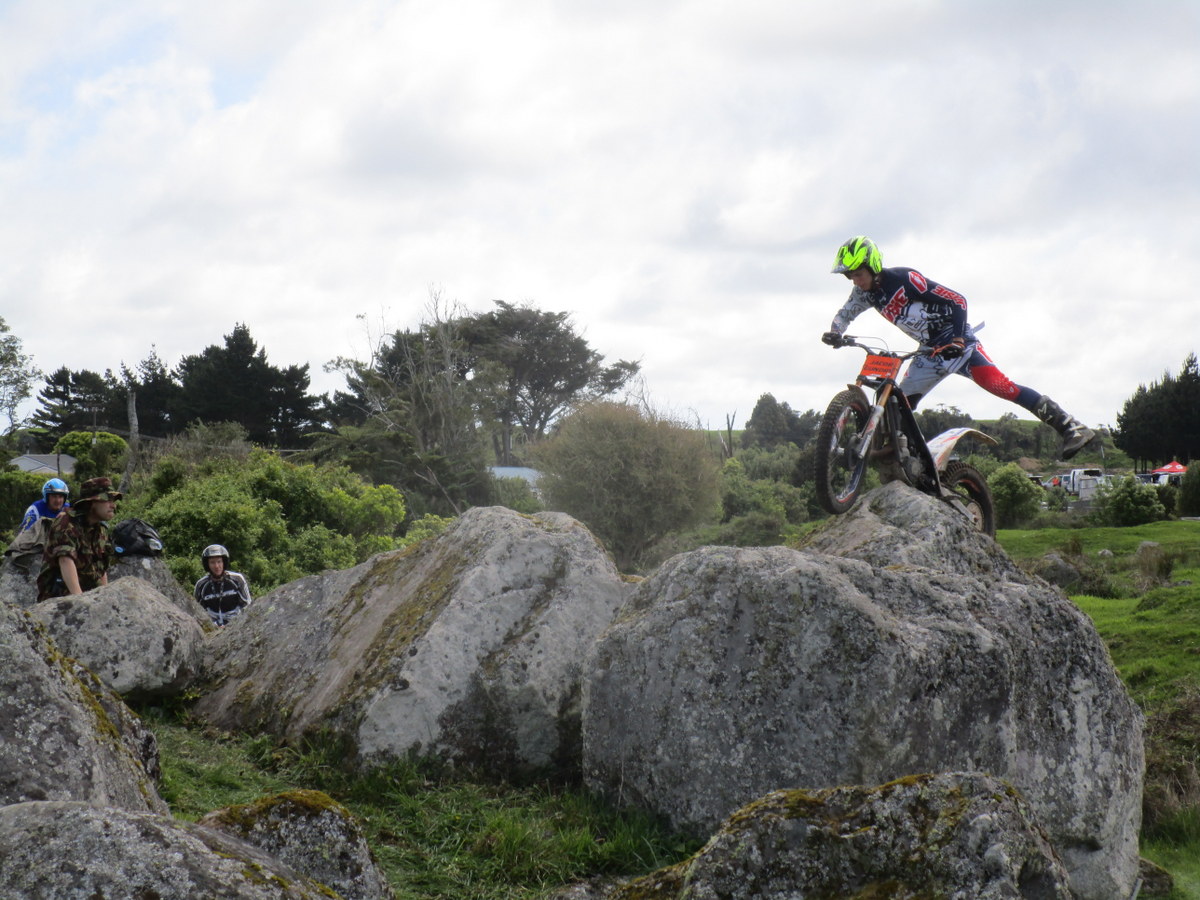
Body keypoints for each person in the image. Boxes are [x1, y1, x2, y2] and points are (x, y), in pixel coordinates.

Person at [822, 236, 1096, 460]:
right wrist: (835, 332)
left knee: (1003, 387)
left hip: (959, 345)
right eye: (851, 277)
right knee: (900, 403)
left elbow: (958, 301)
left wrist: (957, 340)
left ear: (873, 266)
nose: (856, 281)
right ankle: (910, 458)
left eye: (858, 274)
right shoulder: (864, 293)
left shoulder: (906, 279)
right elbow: (845, 314)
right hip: (929, 352)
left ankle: (1070, 426)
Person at [36, 476, 122, 600]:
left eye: (113, 500)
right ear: (92, 502)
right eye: (107, 500)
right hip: (60, 599)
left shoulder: (100, 529)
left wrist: (104, 598)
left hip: (89, 595)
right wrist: (81, 602)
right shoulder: (66, 523)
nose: (113, 505)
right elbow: (65, 560)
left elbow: (101, 570)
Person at [193, 544, 252, 627]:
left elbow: (247, 605)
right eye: (212, 562)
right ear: (207, 565)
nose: (216, 566)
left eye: (219, 561)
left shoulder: (237, 579)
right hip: (212, 627)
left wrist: (236, 623)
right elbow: (196, 611)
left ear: (224, 562)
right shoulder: (201, 585)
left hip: (236, 624)